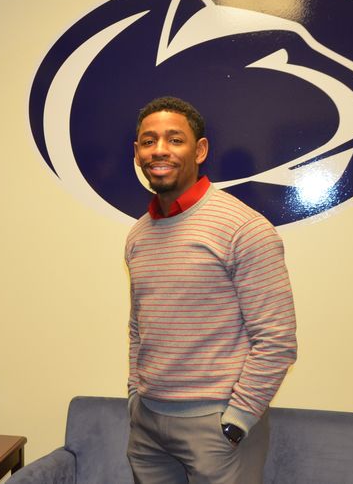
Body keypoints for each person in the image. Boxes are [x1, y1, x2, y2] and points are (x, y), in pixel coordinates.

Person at [124, 96, 297, 483]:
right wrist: (136, 394)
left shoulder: (244, 229)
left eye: (174, 139)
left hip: (217, 427)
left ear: (200, 150)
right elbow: (138, 326)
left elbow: (277, 339)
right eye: (148, 141)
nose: (160, 150)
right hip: (147, 423)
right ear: (137, 153)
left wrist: (237, 420)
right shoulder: (138, 235)